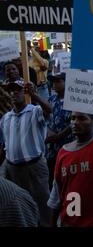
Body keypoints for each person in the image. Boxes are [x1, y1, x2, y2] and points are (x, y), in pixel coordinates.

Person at [0, 79, 52, 226]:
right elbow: (5, 145)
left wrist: (35, 96)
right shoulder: (6, 118)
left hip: (34, 167)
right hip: (13, 169)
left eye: (18, 90)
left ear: (25, 92)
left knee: (42, 203)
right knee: (18, 203)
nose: (13, 93)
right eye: (11, 91)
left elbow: (49, 110)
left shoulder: (34, 111)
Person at [45, 72, 73, 189]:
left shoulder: (73, 100)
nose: (54, 84)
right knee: (53, 179)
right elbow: (46, 118)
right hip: (52, 150)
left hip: (69, 147)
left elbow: (74, 124)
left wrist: (59, 136)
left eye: (58, 81)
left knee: (69, 179)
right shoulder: (51, 99)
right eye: (53, 81)